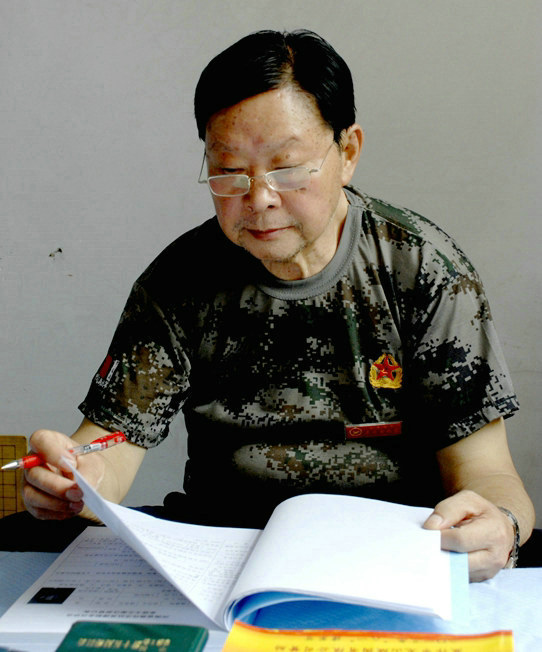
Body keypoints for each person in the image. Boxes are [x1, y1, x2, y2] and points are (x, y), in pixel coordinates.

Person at [20, 29, 535, 581]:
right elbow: (110, 444)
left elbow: (487, 473)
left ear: (348, 152)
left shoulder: (422, 269)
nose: (259, 198)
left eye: (287, 168)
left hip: (387, 555)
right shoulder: (181, 280)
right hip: (223, 551)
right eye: (229, 172)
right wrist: (76, 479)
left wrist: (500, 524)